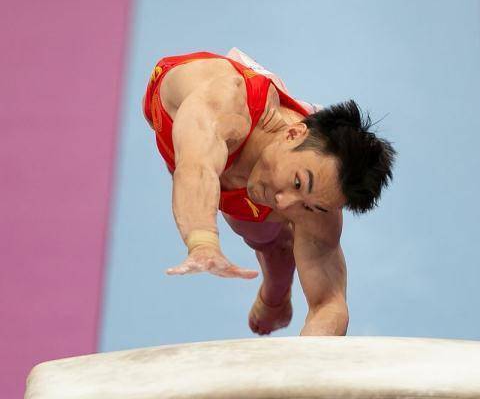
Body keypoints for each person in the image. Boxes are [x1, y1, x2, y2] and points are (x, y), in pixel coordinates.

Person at [142, 49, 395, 336]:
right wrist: (203, 243)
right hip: (190, 115)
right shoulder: (223, 102)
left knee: (273, 237)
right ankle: (276, 286)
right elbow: (196, 168)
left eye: (309, 205)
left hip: (263, 154)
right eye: (298, 183)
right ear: (292, 134)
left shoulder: (321, 198)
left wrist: (306, 360)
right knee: (240, 212)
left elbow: (329, 304)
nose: (284, 203)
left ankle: (275, 295)